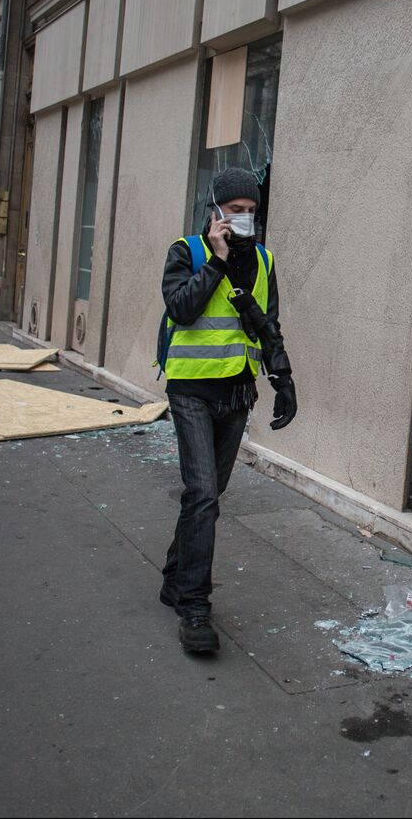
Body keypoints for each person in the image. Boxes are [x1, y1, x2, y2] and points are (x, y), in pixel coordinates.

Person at [159, 167, 296, 653]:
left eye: (251, 212)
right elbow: (181, 309)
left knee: (209, 493)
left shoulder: (262, 259)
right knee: (202, 493)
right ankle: (194, 606)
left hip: (237, 392)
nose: (244, 220)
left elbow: (268, 324)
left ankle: (175, 576)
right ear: (215, 210)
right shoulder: (187, 251)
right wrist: (215, 260)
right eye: (235, 211)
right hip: (192, 390)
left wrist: (284, 380)